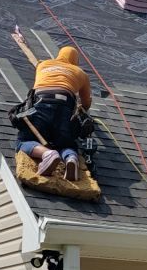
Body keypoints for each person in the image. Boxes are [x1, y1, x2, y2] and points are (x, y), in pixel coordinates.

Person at [16, 44, 92, 180]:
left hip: (41, 104)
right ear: (75, 61)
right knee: (65, 143)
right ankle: (71, 159)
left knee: (25, 140)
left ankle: (47, 154)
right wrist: (82, 109)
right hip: (64, 108)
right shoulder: (81, 73)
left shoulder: (43, 64)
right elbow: (86, 103)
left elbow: (37, 65)